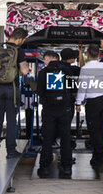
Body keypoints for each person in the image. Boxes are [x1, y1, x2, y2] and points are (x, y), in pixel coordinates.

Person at [0, 27, 29, 159]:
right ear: (20, 38)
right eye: (23, 40)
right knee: (11, 121)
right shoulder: (18, 50)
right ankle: (11, 151)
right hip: (11, 88)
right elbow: (24, 71)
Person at [76, 40, 103, 173]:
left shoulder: (85, 69)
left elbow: (82, 87)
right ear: (98, 54)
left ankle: (99, 156)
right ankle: (98, 154)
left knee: (93, 130)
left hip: (92, 102)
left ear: (87, 54)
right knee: (100, 128)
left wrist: (78, 102)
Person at [36, 50, 73, 178]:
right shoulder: (67, 70)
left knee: (47, 138)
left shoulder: (43, 72)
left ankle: (45, 167)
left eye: (44, 59)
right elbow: (73, 88)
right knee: (65, 137)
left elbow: (39, 91)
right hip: (65, 109)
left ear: (48, 58)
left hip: (49, 110)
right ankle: (67, 167)